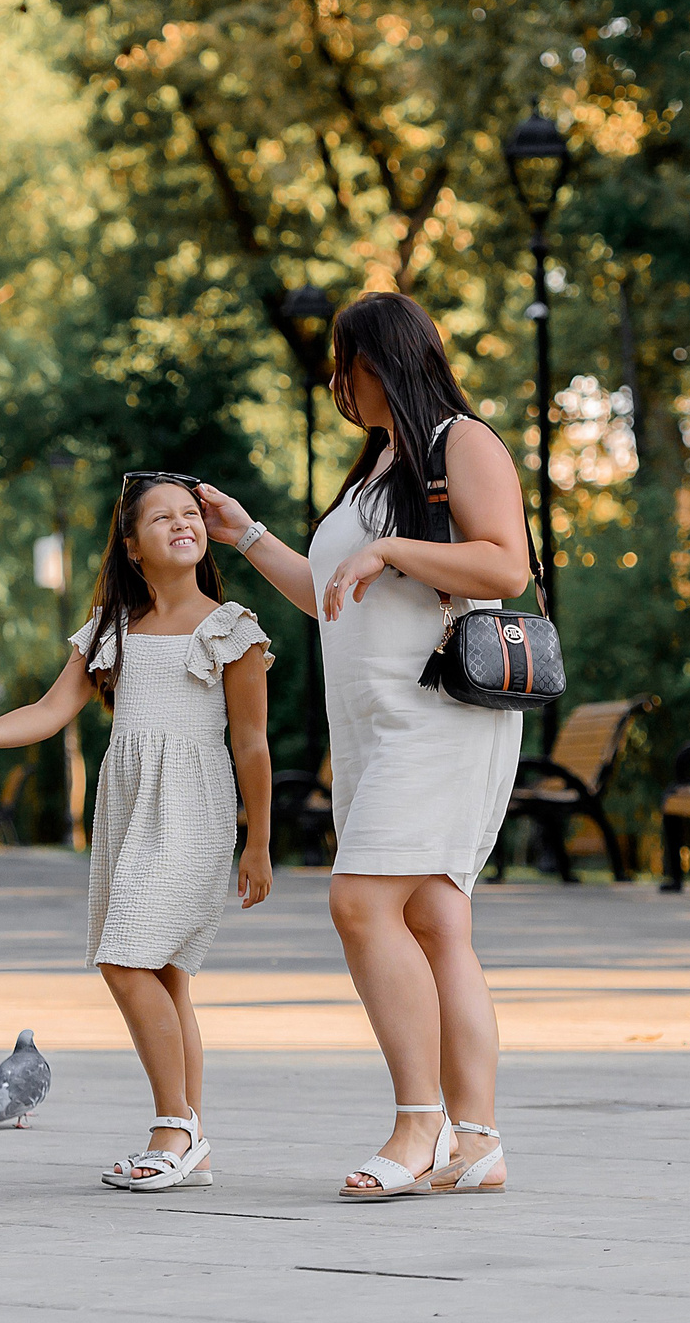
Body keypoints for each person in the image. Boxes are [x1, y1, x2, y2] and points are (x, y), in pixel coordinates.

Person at [193, 292, 530, 1198]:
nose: (337, 382)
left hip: (441, 719)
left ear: (383, 362)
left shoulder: (462, 441)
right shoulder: (380, 461)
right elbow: (329, 596)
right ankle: (479, 1138)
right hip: (379, 726)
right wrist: (247, 534)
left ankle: (417, 1122)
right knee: (435, 923)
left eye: (346, 363)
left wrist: (395, 553)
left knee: (357, 903)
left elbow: (506, 565)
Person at [0, 471, 274, 1192]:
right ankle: (195, 1140)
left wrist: (259, 841)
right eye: (161, 519)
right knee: (166, 976)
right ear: (131, 547)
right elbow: (49, 710)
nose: (181, 523)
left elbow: (252, 744)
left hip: (194, 809)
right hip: (129, 811)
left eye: (190, 513)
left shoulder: (231, 627)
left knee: (126, 959)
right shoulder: (109, 631)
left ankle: (170, 1126)